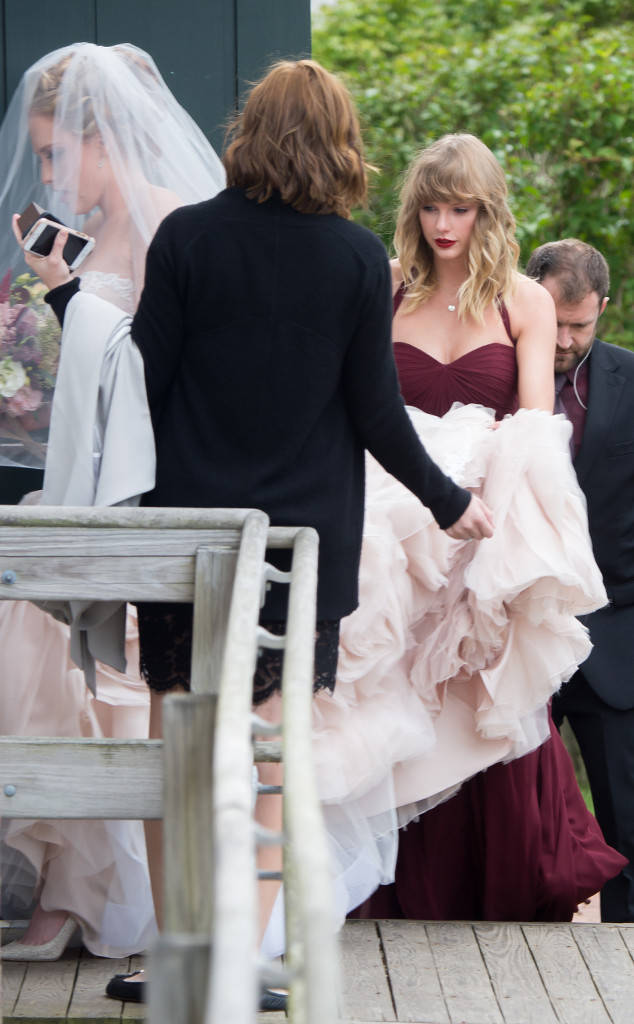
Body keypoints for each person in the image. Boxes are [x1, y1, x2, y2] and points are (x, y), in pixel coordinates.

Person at [18, 61, 493, 1007]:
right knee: (269, 753)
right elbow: (377, 413)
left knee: (179, 750)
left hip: (187, 541)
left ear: (249, 136)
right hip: (293, 550)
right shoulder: (356, 258)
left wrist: (66, 296)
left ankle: (176, 952)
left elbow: (141, 384)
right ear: (340, 144)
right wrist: (449, 501)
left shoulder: (189, 237)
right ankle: (247, 958)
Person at [341, 134, 626, 924]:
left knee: (479, 698)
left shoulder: (523, 301)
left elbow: (534, 432)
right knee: (383, 694)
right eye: (432, 207)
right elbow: (354, 410)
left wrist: (496, 540)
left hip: (479, 527)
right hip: (389, 532)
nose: (444, 224)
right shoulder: (384, 287)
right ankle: (380, 891)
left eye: (460, 208)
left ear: (487, 211)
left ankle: (488, 892)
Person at [0, 42, 225, 962]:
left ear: (105, 139)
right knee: (31, 628)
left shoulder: (177, 223)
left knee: (110, 671)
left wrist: (68, 295)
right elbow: (85, 373)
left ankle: (111, 897)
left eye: (57, 153)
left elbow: (159, 375)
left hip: (160, 485)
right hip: (92, 479)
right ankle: (63, 882)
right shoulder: (84, 237)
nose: (49, 175)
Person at [526, 238, 634, 923]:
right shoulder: (491, 370)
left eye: (580, 325)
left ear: (603, 309)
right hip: (514, 636)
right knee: (513, 821)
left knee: (627, 824)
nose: (564, 341)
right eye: (555, 322)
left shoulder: (632, 379)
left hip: (615, 637)